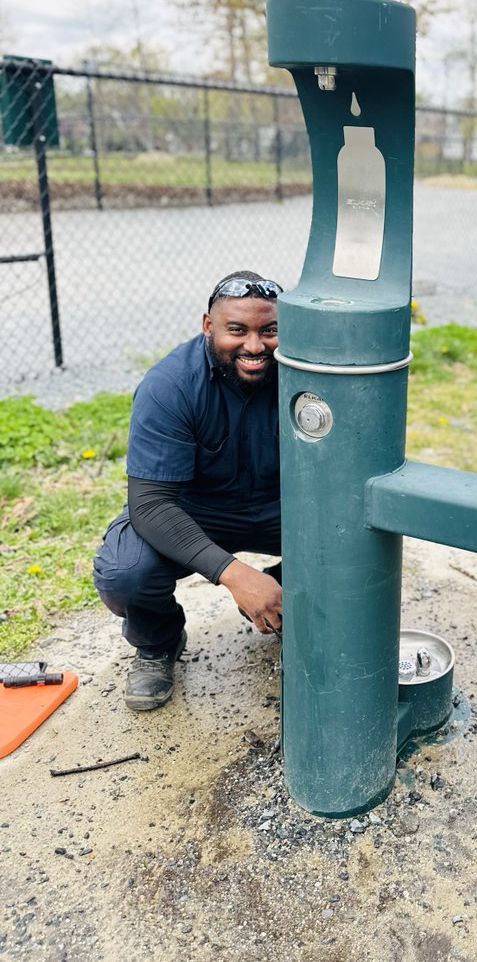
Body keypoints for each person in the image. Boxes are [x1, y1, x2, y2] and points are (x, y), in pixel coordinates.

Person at [93, 271, 285, 712]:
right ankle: (159, 642)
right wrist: (234, 574)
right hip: (198, 512)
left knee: (360, 530)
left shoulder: (311, 373)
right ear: (208, 325)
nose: (254, 346)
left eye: (269, 330)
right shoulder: (170, 384)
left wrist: (264, 583)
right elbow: (150, 505)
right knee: (125, 573)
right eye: (237, 330)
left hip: (282, 509)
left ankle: (280, 592)